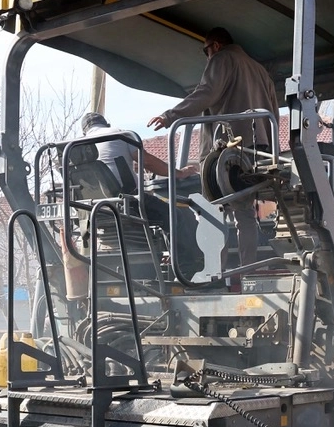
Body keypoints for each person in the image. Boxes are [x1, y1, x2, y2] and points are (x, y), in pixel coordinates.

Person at [148, 27, 281, 266]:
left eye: (206, 51)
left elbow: (206, 92)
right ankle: (248, 271)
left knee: (214, 212)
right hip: (256, 149)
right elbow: (273, 113)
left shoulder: (222, 59)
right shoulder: (260, 70)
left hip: (226, 150)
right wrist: (271, 150)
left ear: (216, 46)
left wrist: (170, 116)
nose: (207, 57)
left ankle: (216, 272)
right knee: (245, 213)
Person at [79, 112, 203, 274]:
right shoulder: (120, 134)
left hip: (93, 209)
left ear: (85, 130)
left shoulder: (76, 145)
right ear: (105, 124)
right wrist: (179, 173)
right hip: (127, 201)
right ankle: (186, 270)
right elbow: (148, 161)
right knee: (174, 216)